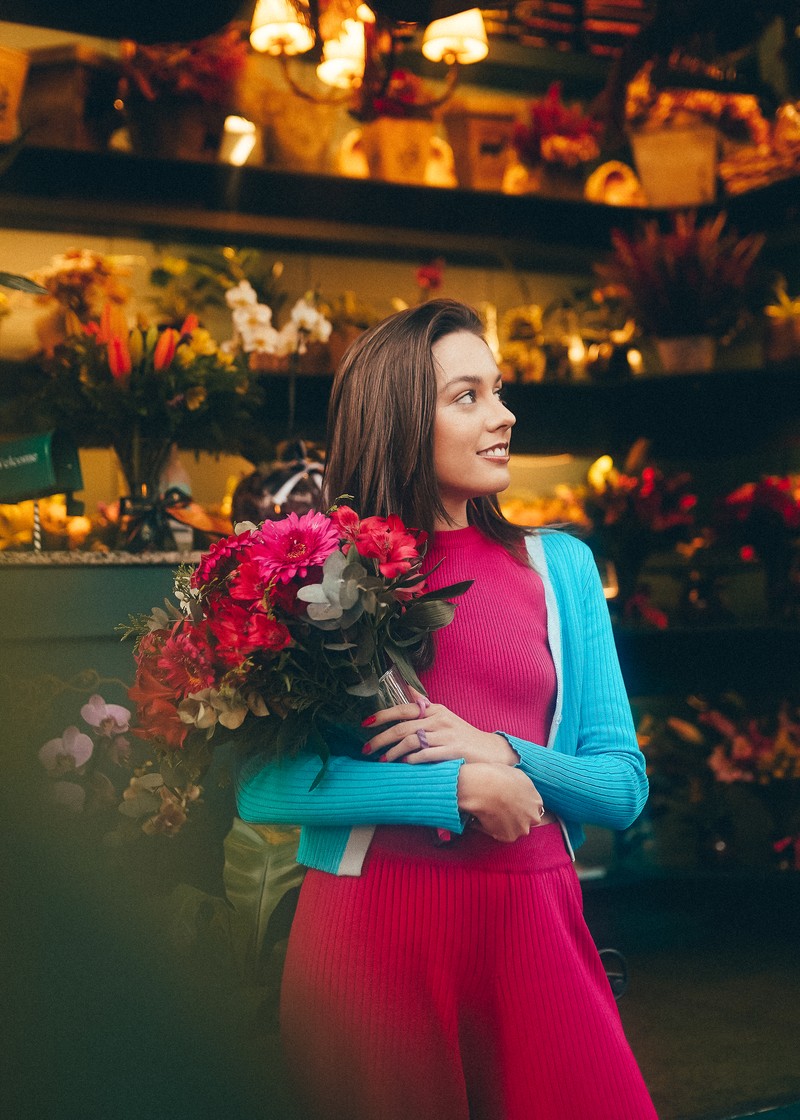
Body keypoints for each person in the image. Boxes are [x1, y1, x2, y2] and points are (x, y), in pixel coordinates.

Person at [235, 299, 658, 1120]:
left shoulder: (561, 567)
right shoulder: (318, 579)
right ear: (398, 421)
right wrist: (453, 790)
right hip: (370, 942)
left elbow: (621, 788)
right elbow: (263, 786)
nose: (502, 416)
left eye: (498, 391)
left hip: (533, 929)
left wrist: (501, 752)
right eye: (467, 397)